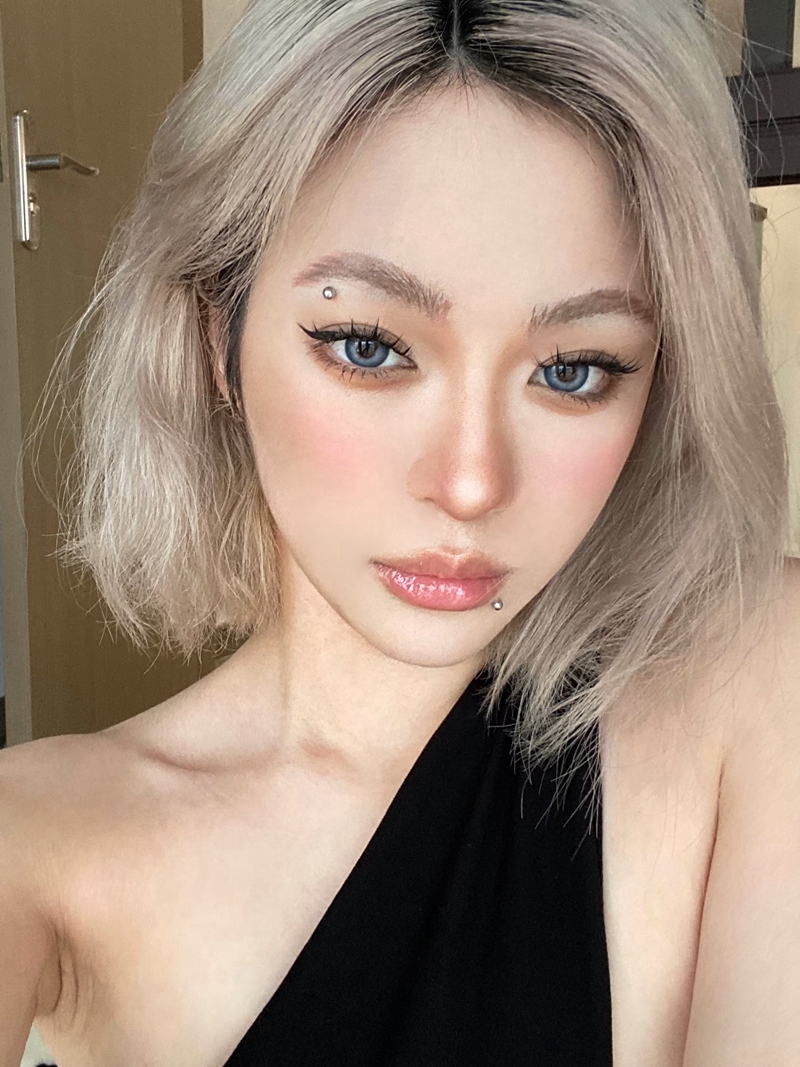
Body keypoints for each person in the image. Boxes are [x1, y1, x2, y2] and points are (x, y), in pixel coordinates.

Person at [3, 0, 799, 1065]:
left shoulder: (758, 666)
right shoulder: (41, 838)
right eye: (369, 347)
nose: (470, 483)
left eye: (573, 369)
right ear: (214, 338)